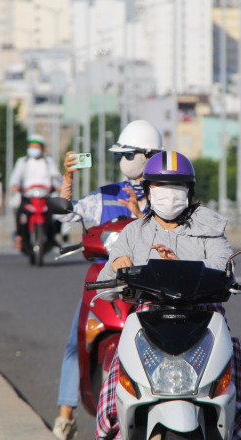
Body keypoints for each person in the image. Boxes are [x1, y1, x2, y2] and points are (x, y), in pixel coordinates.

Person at [94, 151, 241, 440]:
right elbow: (104, 289)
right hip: (148, 326)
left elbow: (224, 267)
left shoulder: (210, 230)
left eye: (177, 188)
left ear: (189, 192)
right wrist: (117, 267)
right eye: (160, 187)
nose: (169, 195)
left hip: (204, 324)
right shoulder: (132, 233)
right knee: (113, 388)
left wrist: (178, 265)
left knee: (239, 367)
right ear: (148, 191)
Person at [53, 120, 165, 440]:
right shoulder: (106, 194)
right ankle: (65, 417)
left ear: (148, 156)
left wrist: (142, 211)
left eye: (128, 155)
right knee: (77, 341)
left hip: (150, 282)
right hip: (107, 280)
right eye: (120, 156)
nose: (123, 162)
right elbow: (66, 214)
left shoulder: (165, 194)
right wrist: (68, 176)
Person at [9, 134, 63, 252]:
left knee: (57, 214)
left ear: (42, 148)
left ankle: (53, 236)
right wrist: (14, 185)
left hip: (45, 196)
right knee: (20, 213)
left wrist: (58, 185)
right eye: (32, 146)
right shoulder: (23, 162)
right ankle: (19, 236)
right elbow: (15, 177)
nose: (34, 149)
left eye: (36, 146)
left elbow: (56, 176)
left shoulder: (48, 162)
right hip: (28, 195)